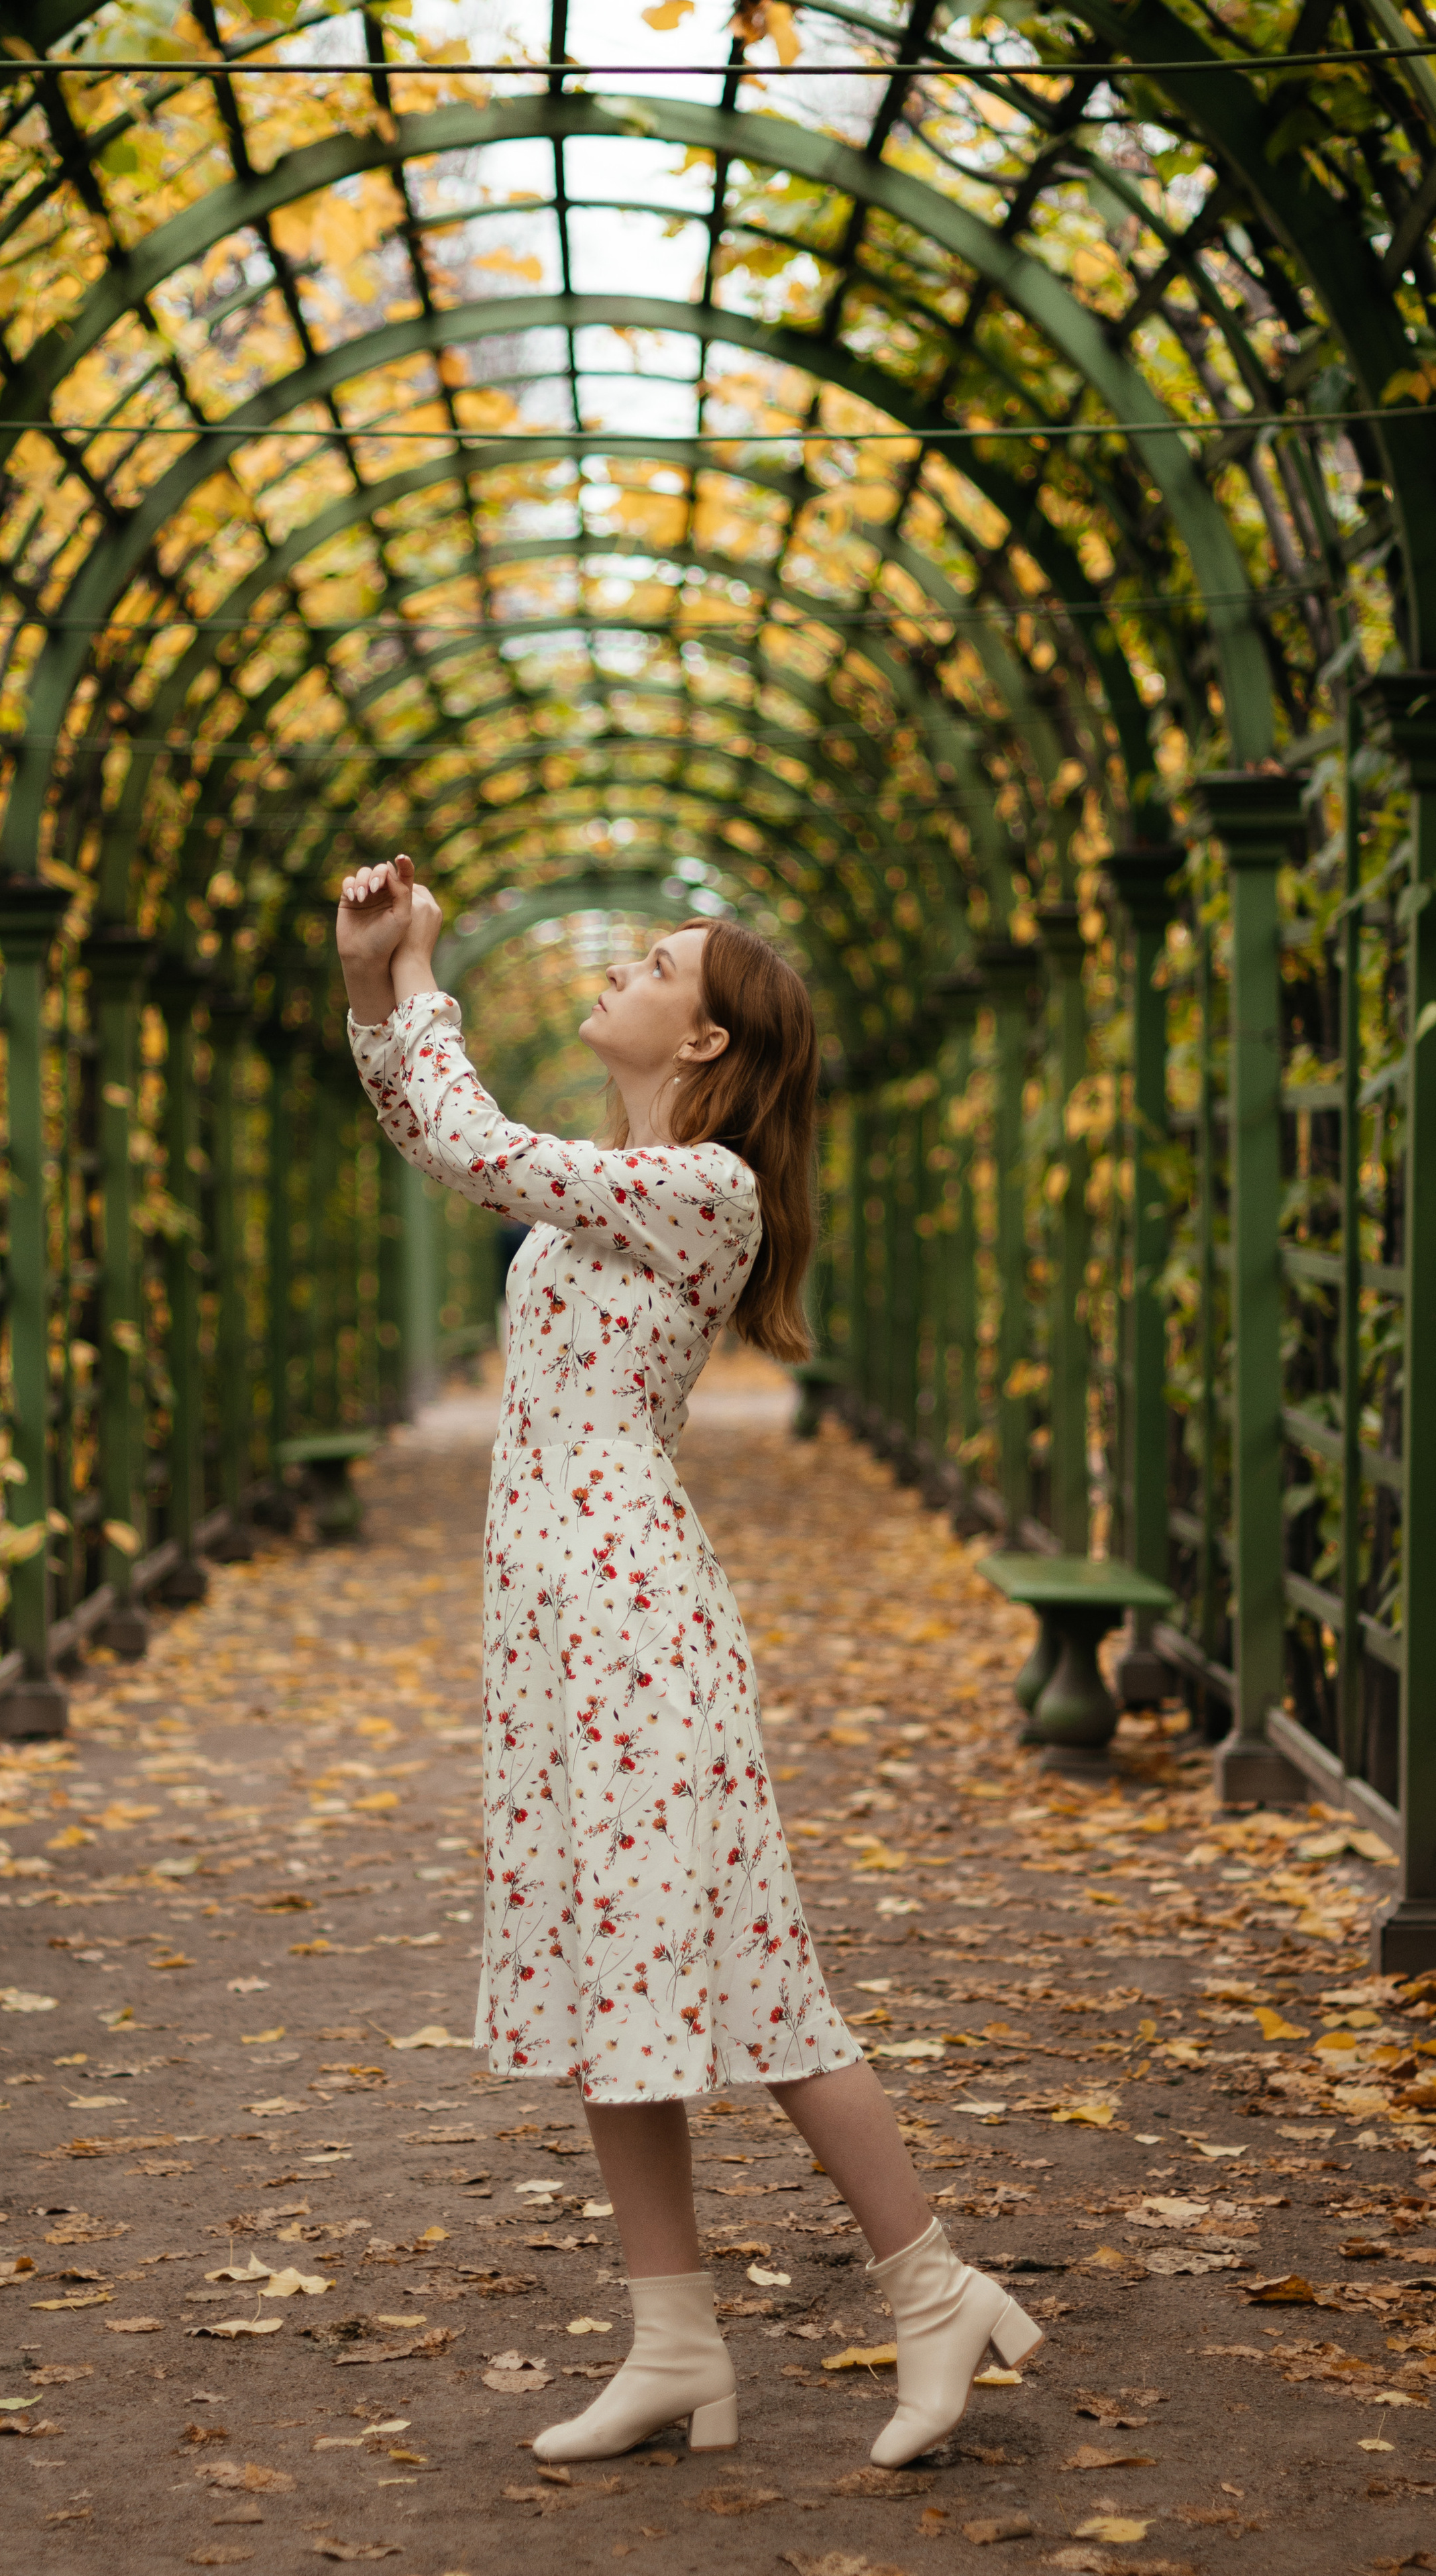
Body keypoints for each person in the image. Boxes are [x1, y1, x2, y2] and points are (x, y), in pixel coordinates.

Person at [336, 854, 1042, 2469]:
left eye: (653, 961)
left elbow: (471, 1141)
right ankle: (673, 2343)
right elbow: (433, 1134)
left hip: (639, 1629)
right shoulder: (608, 1175)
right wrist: (375, 984)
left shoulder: (701, 1192)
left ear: (705, 1039)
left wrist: (425, 975)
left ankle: (932, 2292)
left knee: (755, 1984)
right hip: (555, 1633)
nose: (620, 969)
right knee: (605, 1987)